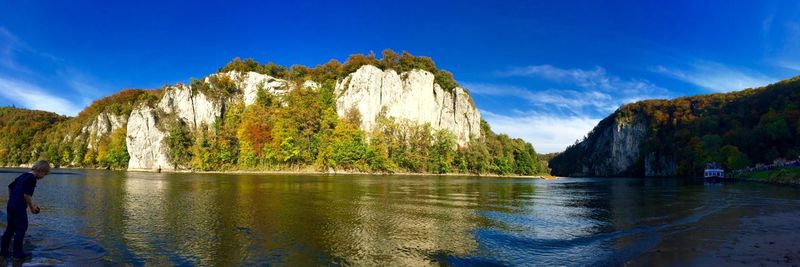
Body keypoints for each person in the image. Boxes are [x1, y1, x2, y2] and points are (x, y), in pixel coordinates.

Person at [0, 160, 49, 261]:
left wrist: (12, 199)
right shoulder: (32, 178)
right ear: (41, 170)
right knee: (21, 229)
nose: (43, 176)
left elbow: (10, 187)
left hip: (11, 205)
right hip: (18, 207)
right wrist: (32, 208)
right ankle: (17, 255)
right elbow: (27, 195)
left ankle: (3, 252)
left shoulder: (24, 175)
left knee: (10, 228)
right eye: (45, 174)